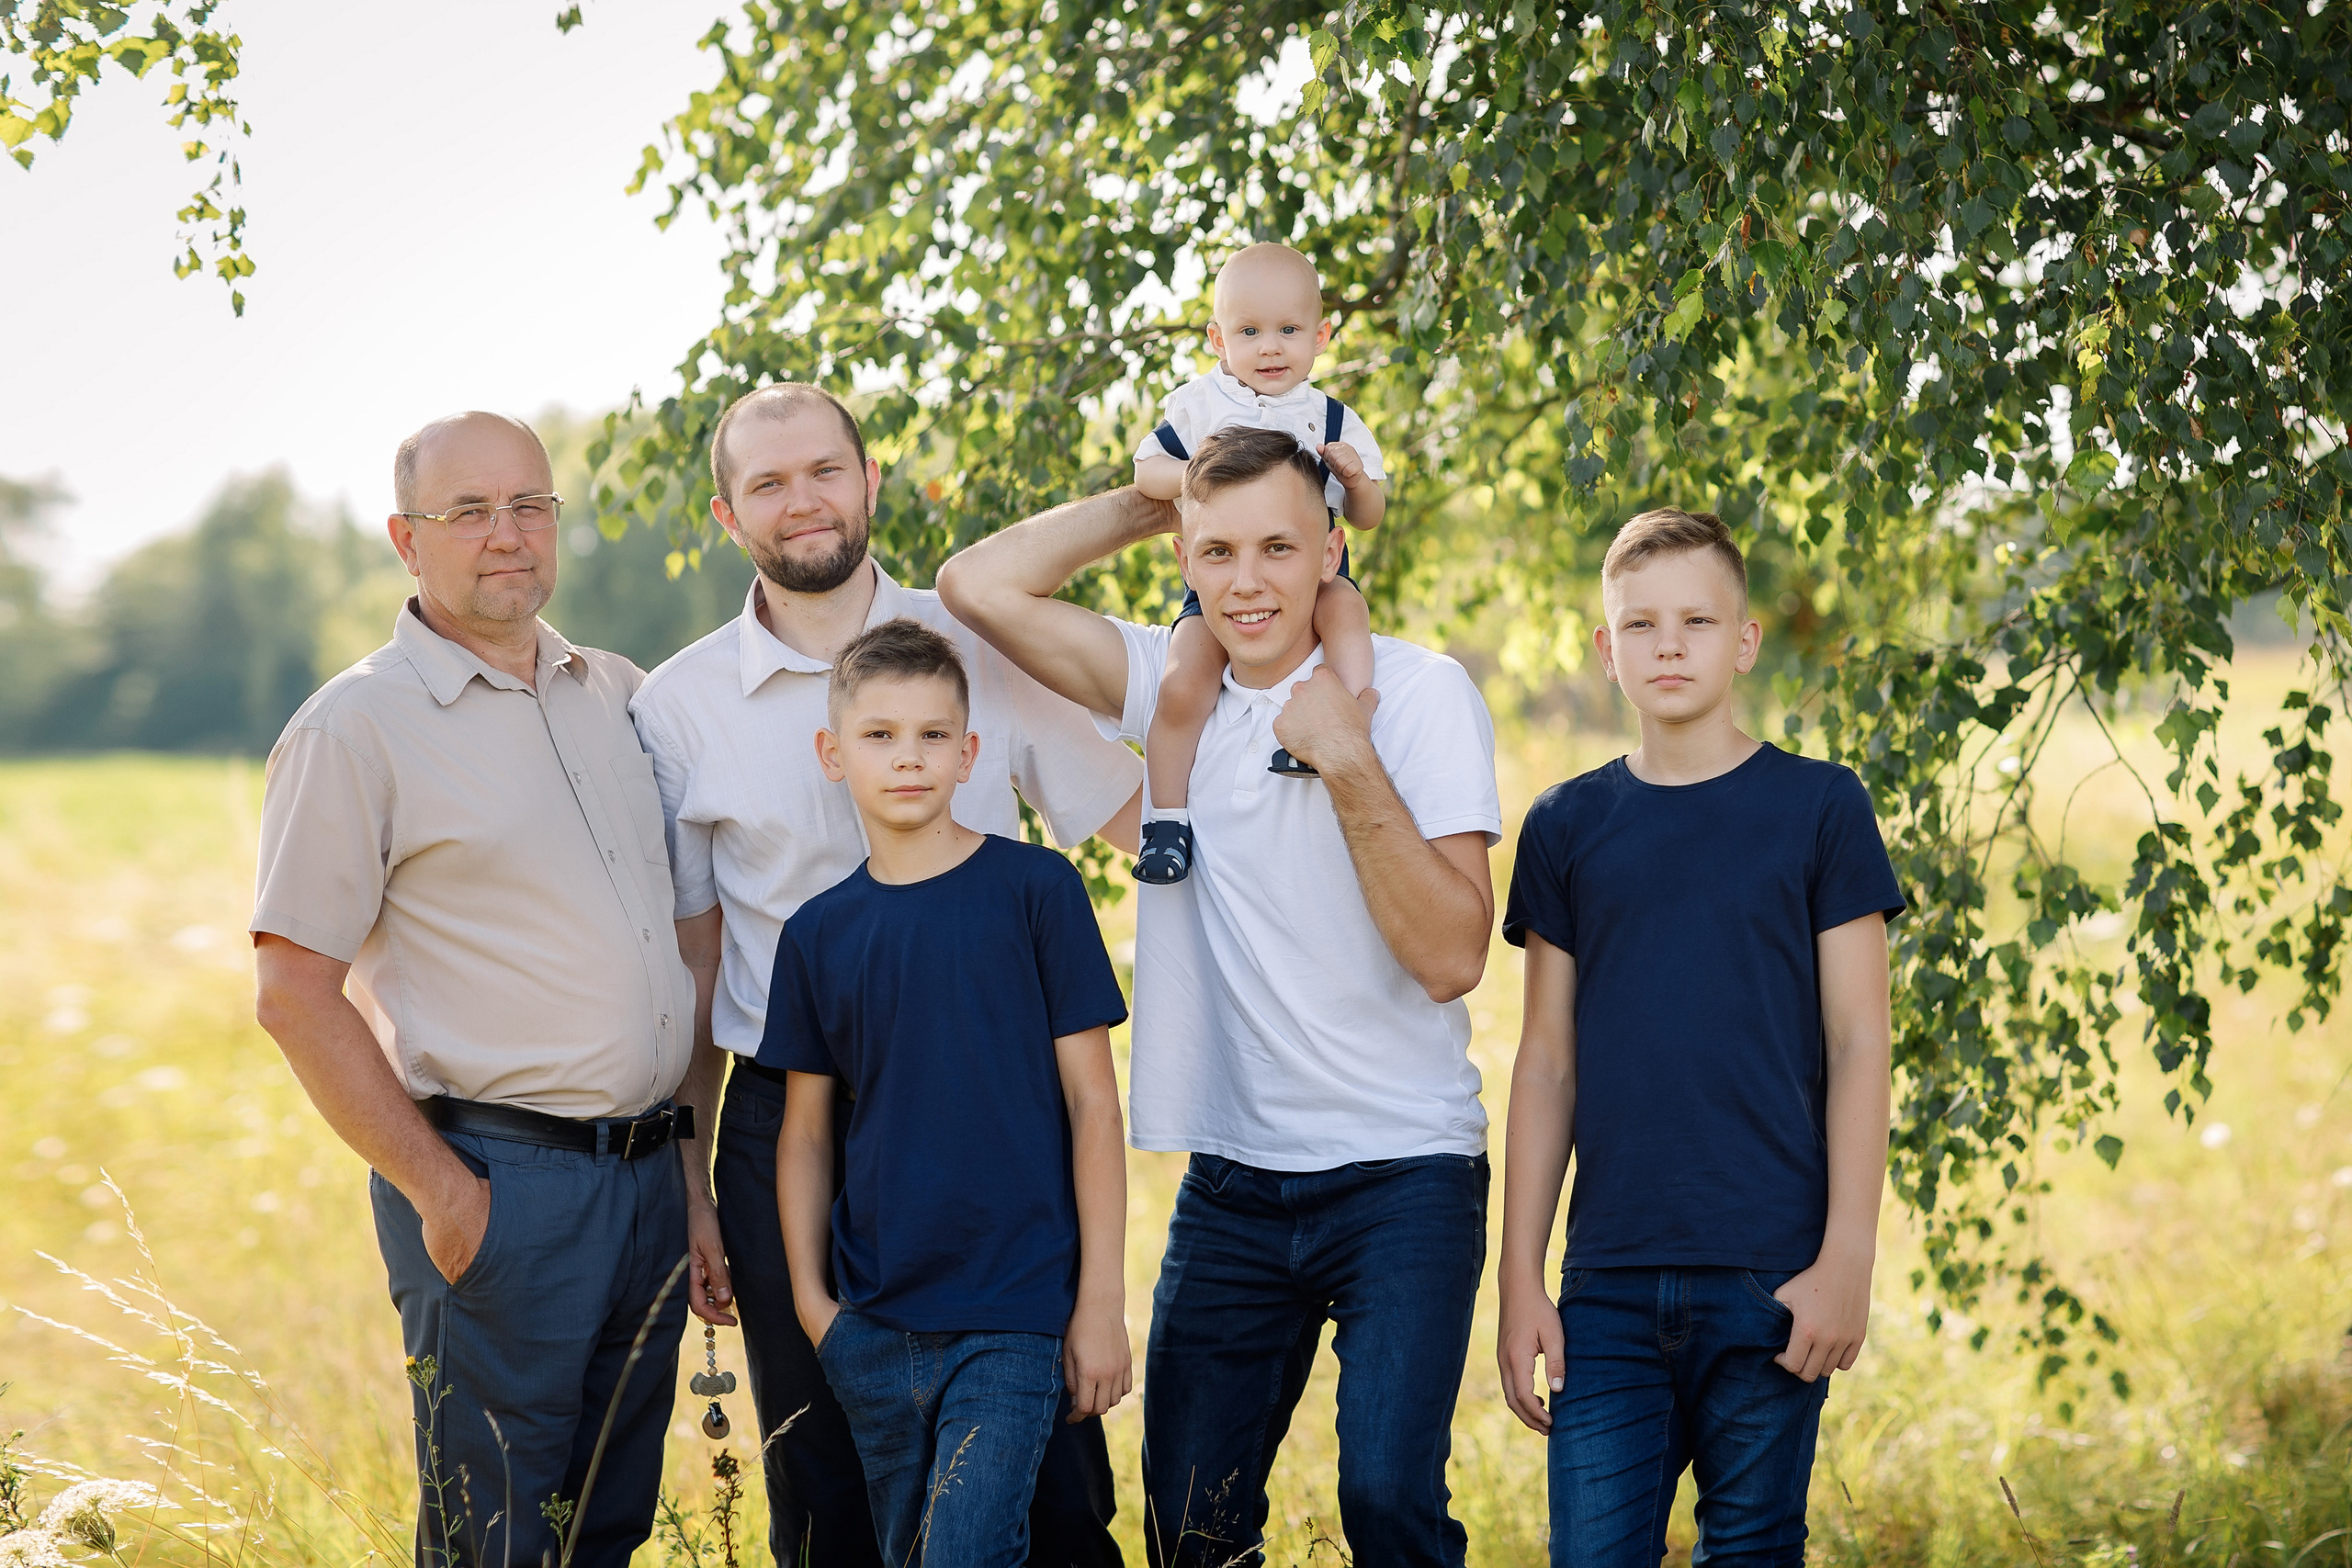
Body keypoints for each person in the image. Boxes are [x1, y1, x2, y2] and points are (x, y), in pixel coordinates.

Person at [937, 425, 1501, 1568]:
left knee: (1388, 1500)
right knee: (1189, 1528)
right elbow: (975, 586)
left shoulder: (1419, 693)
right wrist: (1156, 500)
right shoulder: (1165, 685)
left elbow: (1450, 957)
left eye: (1280, 548)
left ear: (1333, 549)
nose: (1248, 582)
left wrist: (1347, 756)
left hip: (1403, 1172)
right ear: (1188, 561)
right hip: (1236, 1184)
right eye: (1220, 551)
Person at [628, 382, 1144, 1566]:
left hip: (989, 1112)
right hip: (788, 1118)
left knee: (1053, 1476)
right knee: (823, 1486)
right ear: (726, 515)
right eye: (767, 483)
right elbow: (697, 961)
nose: (800, 500)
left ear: (870, 483)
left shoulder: (977, 646)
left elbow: (1130, 815)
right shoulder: (679, 707)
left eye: (822, 470)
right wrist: (698, 1180)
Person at [250, 412, 698, 1568]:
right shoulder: (356, 728)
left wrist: (688, 1184)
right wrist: (446, 1200)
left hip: (648, 1185)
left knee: (605, 1528)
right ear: (407, 539)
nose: (508, 535)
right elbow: (294, 993)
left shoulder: (618, 696)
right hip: (504, 1190)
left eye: (530, 505)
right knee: (493, 1540)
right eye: (469, 512)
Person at [1491, 509, 1905, 1566]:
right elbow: (1545, 1063)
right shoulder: (1566, 825)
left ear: (1745, 640)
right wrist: (1522, 1280)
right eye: (1639, 625)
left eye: (1695, 621)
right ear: (1604, 648)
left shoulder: (1819, 808)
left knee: (1755, 1550)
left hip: (1771, 1277)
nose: (1667, 645)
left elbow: (1861, 1041)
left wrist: (1846, 1256)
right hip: (1609, 1289)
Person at [766, 618, 1133, 1566]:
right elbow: (805, 1134)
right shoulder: (816, 935)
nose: (908, 758)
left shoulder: (1036, 892)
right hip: (875, 1325)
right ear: (832, 754)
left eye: (933, 736)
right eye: (879, 736)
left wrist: (1097, 1303)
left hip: (1013, 1315)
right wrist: (817, 1308)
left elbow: (1095, 1106)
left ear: (970, 754)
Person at [1128, 242, 1386, 885]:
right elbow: (1144, 470)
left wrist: (1353, 480)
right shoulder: (1201, 404)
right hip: (1222, 581)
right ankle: (1165, 822)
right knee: (1183, 683)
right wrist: (1197, 474)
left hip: (1316, 572)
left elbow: (1370, 513)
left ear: (1320, 335)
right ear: (1218, 339)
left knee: (1347, 615)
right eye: (1249, 332)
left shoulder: (1330, 415)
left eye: (1288, 331)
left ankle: (1348, 719)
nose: (1270, 348)